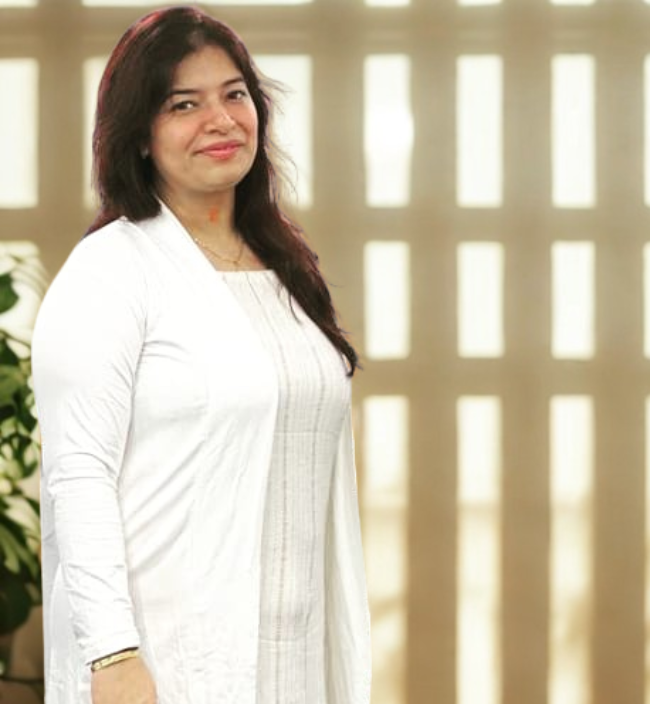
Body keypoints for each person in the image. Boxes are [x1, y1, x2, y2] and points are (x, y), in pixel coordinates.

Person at [30, 6, 371, 704]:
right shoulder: (111, 271)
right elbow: (79, 475)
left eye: (234, 95)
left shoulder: (285, 269)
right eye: (184, 104)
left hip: (293, 654)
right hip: (167, 657)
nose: (220, 121)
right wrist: (113, 654)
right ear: (140, 135)